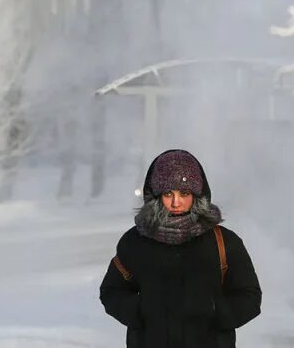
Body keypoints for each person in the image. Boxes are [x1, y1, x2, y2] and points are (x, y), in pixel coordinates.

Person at [100, 149, 262, 348]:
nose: (176, 202)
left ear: (197, 194)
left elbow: (250, 297)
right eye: (168, 193)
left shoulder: (223, 242)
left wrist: (214, 311)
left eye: (184, 193)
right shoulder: (135, 241)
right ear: (156, 195)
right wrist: (141, 310)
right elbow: (112, 291)